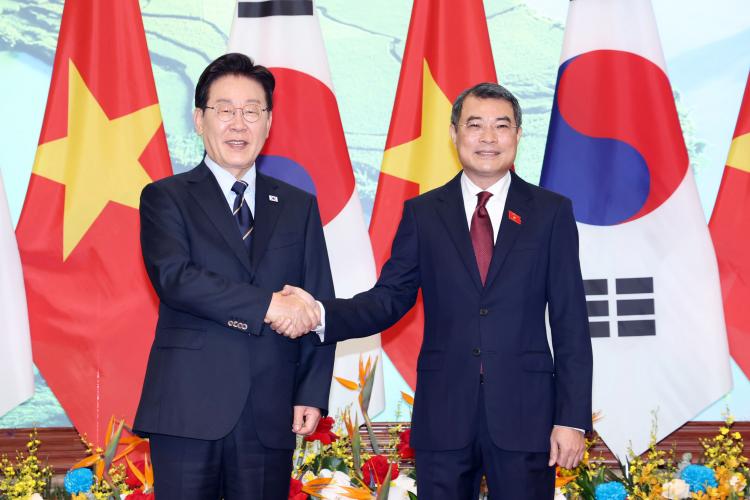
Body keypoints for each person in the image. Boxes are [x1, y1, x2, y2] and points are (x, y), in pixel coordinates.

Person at [275, 83, 593, 499]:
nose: (488, 137)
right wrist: (320, 313)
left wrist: (571, 418)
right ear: (454, 133)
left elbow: (571, 321)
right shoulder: (423, 214)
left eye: (501, 126)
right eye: (475, 125)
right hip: (444, 415)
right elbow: (389, 298)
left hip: (526, 416)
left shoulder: (550, 213)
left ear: (517, 134)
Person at [133, 53, 334, 499]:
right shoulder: (166, 197)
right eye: (225, 110)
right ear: (199, 119)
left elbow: (317, 301)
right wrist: (267, 305)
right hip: (187, 407)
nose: (238, 124)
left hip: (270, 409)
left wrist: (311, 391)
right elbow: (176, 278)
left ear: (269, 122)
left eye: (251, 111)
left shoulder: (298, 206)